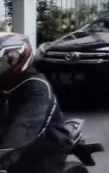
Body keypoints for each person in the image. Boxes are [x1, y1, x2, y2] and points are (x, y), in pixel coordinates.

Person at [0, 32, 72, 173]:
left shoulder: (37, 88)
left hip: (45, 147)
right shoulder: (4, 83)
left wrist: (3, 158)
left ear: (16, 58)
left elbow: (24, 129)